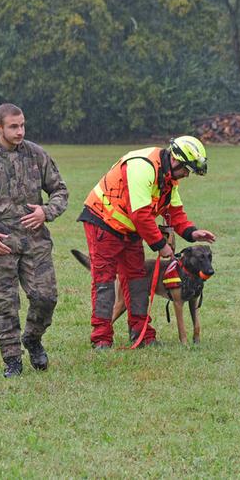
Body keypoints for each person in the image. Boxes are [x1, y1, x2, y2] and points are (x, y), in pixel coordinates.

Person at [77, 136, 216, 348]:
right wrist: (161, 245)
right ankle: (101, 338)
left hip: (130, 229)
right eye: (187, 169)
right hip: (103, 222)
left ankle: (141, 334)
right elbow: (141, 215)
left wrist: (192, 233)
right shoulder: (142, 166)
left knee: (137, 279)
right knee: (104, 280)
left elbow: (175, 212)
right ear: (176, 160)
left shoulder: (169, 179)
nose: (187, 175)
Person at [0, 103, 68, 377]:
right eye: (13, 126)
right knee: (6, 305)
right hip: (2, 246)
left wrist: (46, 211)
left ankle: (32, 339)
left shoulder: (36, 155)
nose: (20, 131)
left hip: (36, 242)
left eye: (22, 125)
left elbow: (60, 191)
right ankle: (12, 361)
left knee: (46, 298)